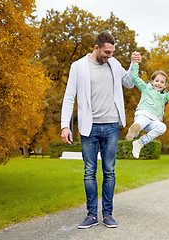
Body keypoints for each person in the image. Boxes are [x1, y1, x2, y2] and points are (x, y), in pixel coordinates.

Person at [61, 32, 141, 229]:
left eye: (112, 52)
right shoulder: (78, 67)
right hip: (90, 127)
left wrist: (134, 64)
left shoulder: (113, 63)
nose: (109, 56)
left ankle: (107, 215)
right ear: (96, 48)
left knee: (109, 171)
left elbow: (129, 83)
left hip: (112, 125)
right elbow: (69, 96)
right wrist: (65, 125)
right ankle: (91, 215)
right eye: (106, 52)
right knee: (89, 172)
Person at [126, 54, 169, 158]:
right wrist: (136, 64)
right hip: (143, 114)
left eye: (162, 82)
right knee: (141, 122)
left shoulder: (165, 96)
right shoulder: (145, 88)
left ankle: (139, 143)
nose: (159, 84)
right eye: (157, 81)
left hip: (154, 120)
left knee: (163, 127)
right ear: (152, 82)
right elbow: (134, 77)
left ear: (165, 85)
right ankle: (134, 130)